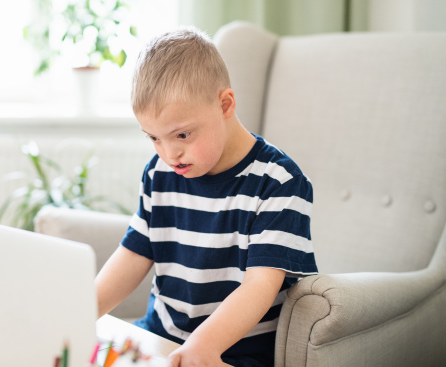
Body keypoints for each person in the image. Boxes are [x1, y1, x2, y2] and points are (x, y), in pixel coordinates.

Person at [95, 26, 318, 367]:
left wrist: (202, 346)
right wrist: (80, 310)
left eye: (182, 134)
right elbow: (132, 256)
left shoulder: (279, 182)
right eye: (154, 138)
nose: (170, 153)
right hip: (158, 341)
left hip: (230, 355)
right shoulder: (160, 173)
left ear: (225, 104)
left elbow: (259, 286)